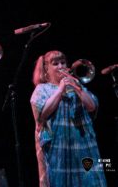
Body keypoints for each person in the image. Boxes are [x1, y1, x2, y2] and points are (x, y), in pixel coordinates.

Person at [30, 50, 107, 187]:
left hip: (83, 144)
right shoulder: (42, 89)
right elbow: (43, 113)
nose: (61, 66)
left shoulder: (76, 85)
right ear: (46, 69)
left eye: (63, 62)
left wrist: (78, 88)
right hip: (59, 147)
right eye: (55, 64)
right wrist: (60, 90)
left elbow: (91, 106)